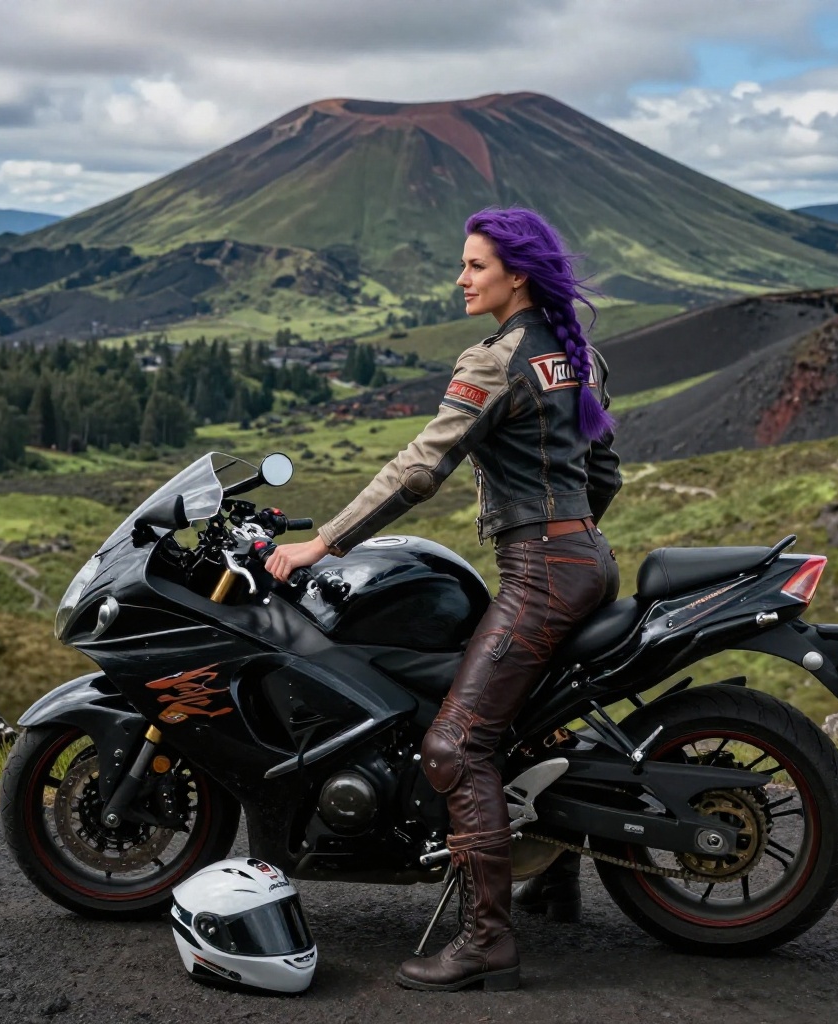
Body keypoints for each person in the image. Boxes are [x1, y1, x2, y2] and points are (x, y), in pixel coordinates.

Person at [264, 206, 621, 992]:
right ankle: (554, 881)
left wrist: (325, 542)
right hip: (589, 558)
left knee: (456, 745)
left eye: (474, 266)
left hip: (543, 571)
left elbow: (419, 469)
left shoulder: (495, 360)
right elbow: (606, 474)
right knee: (524, 718)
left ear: (516, 275)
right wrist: (568, 531)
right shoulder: (577, 354)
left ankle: (487, 940)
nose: (461, 279)